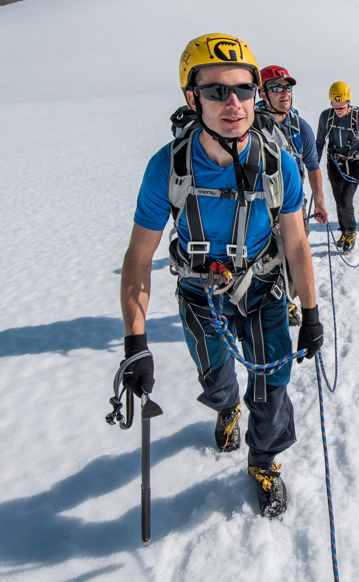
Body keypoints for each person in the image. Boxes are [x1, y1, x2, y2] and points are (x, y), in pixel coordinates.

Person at [120, 33, 324, 519]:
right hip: (199, 290)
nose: (234, 103)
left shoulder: (280, 165)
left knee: (273, 384)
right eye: (216, 91)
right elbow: (138, 258)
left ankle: (264, 459)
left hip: (262, 285)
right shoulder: (167, 169)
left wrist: (311, 312)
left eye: (243, 89)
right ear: (193, 99)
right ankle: (225, 404)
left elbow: (295, 242)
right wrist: (135, 341)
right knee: (215, 379)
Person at [257, 64, 328, 326]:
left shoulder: (301, 128)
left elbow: (312, 166)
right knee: (264, 257)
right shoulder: (248, 124)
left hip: (293, 203)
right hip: (259, 204)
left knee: (294, 255)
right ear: (263, 93)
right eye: (276, 88)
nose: (284, 92)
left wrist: (319, 200)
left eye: (287, 87)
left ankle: (287, 301)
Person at [315, 81, 359, 254]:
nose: (338, 110)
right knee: (338, 200)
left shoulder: (358, 118)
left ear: (349, 101)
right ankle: (343, 232)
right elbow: (319, 143)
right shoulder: (326, 117)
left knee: (345, 201)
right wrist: (313, 167)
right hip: (334, 165)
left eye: (342, 106)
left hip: (354, 165)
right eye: (335, 106)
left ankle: (351, 232)